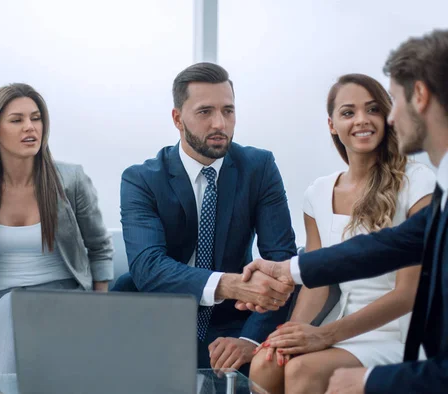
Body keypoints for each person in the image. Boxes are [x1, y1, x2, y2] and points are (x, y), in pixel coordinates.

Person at [242, 29, 448, 393]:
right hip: (339, 322)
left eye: (377, 108)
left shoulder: (420, 183)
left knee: (304, 372)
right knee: (266, 363)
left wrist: (323, 336)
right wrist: (288, 335)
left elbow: (406, 290)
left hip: (394, 329)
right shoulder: (319, 192)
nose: (364, 120)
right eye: (348, 112)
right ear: (332, 124)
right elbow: (319, 282)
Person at [114, 62, 296, 371]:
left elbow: (282, 262)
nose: (220, 124)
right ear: (177, 118)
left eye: (228, 111)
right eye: (205, 112)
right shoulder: (141, 179)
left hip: (234, 321)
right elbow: (148, 268)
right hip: (156, 316)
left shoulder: (259, 167)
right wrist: (230, 284)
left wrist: (251, 341)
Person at [0, 83, 114, 374]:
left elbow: (99, 246)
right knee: (11, 307)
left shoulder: (70, 179)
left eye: (36, 118)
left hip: (65, 300)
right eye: (17, 120)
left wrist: (99, 308)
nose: (30, 127)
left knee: (46, 342)